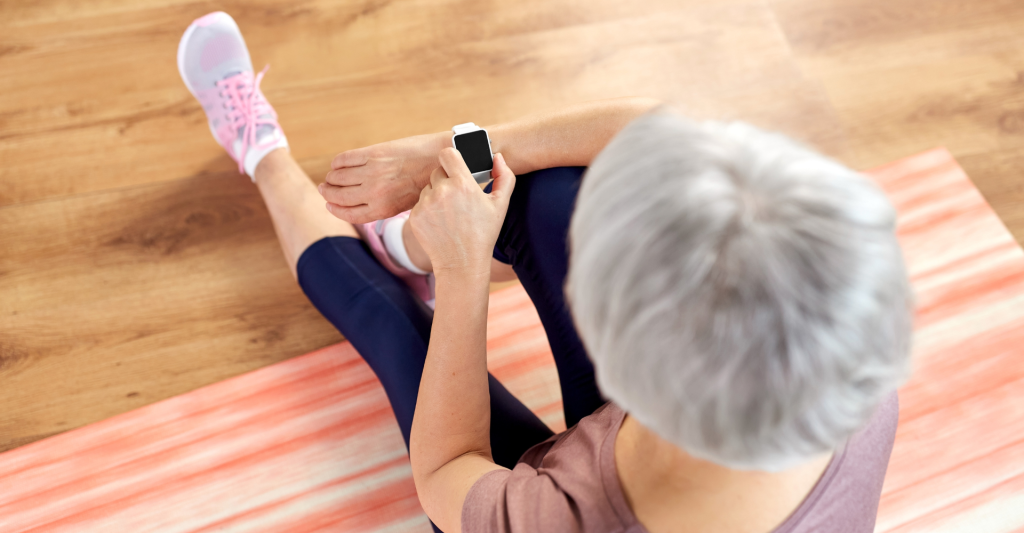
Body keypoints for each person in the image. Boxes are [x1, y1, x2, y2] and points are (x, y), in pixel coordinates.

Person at [178, 12, 913, 533]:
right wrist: (452, 145)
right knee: (554, 191)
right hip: (688, 437)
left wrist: (465, 275)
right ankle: (410, 245)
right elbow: (661, 134)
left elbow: (444, 478)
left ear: (628, 367)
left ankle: (259, 150)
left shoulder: (571, 517)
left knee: (395, 327)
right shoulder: (850, 333)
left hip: (527, 497)